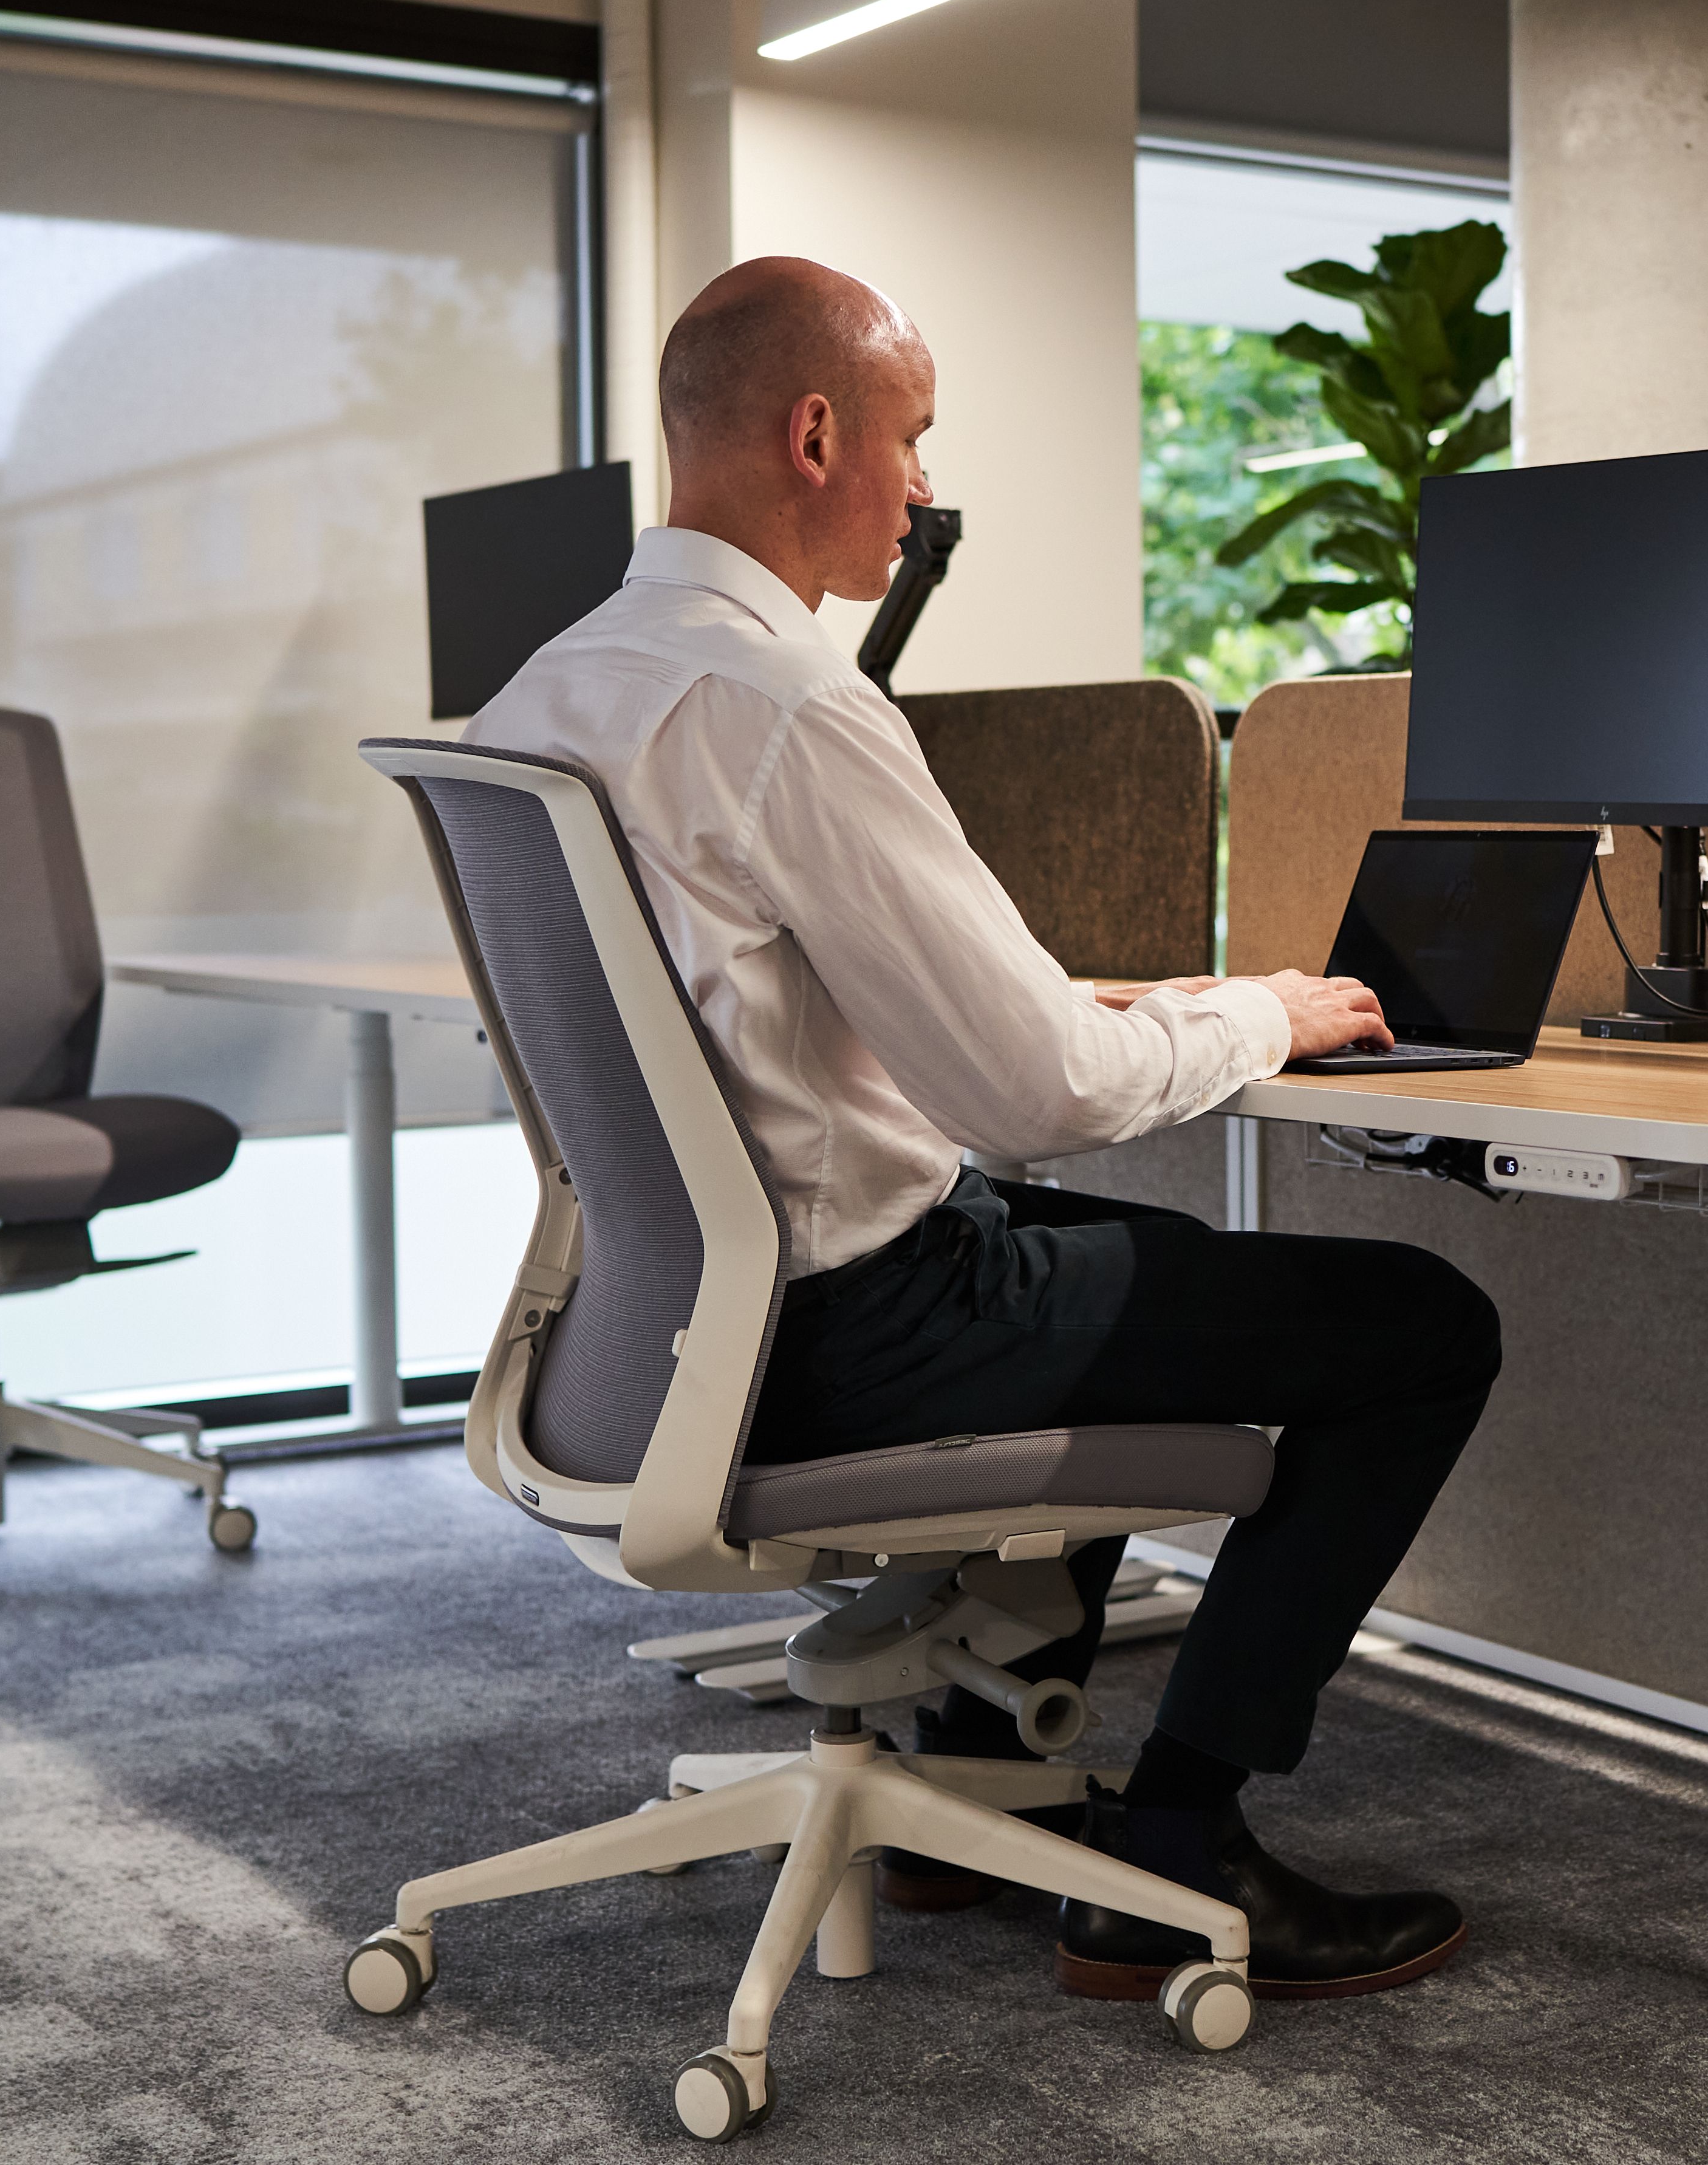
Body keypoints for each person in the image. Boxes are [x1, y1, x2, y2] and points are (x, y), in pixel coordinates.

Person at [463, 258, 1503, 2000]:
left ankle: (965, 1772)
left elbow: (756, 1002)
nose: (922, 484)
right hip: (853, 1328)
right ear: (817, 437)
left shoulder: (550, 693)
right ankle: (1181, 1846)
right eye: (912, 437)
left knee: (1151, 1264)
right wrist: (1266, 1012)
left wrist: (1099, 1000)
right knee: (1422, 1326)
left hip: (679, 1328)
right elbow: (1045, 1099)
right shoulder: (787, 701)